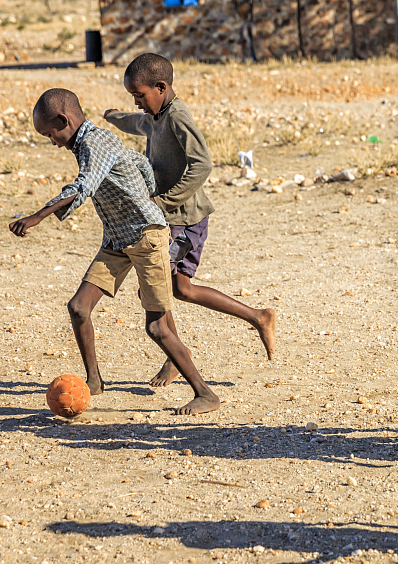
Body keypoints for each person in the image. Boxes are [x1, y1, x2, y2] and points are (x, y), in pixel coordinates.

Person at [10, 88, 220, 415]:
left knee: (156, 327)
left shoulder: (94, 143)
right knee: (79, 307)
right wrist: (145, 191)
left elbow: (83, 185)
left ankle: (205, 393)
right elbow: (138, 162)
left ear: (64, 120)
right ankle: (94, 382)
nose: (52, 141)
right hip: (117, 240)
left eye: (50, 133)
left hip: (147, 237)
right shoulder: (94, 142)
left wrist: (38, 216)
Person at [103, 53, 276, 388]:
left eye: (139, 95)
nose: (137, 102)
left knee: (152, 290)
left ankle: (174, 355)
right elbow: (136, 124)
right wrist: (112, 117)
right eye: (132, 97)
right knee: (179, 288)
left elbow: (202, 165)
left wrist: (162, 202)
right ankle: (258, 316)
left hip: (183, 219)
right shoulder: (155, 115)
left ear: (161, 87)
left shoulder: (178, 116)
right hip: (177, 219)